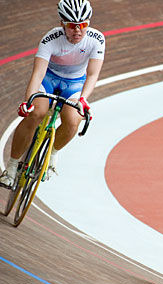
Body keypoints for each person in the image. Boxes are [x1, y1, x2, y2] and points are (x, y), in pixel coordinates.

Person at [0, 0, 105, 188]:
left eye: (83, 25)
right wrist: (28, 101)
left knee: (73, 120)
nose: (78, 30)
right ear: (62, 24)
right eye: (72, 26)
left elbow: (92, 74)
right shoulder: (50, 39)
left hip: (74, 84)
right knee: (36, 113)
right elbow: (38, 73)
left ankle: (53, 153)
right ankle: (12, 167)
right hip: (48, 79)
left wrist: (83, 99)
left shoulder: (97, 40)